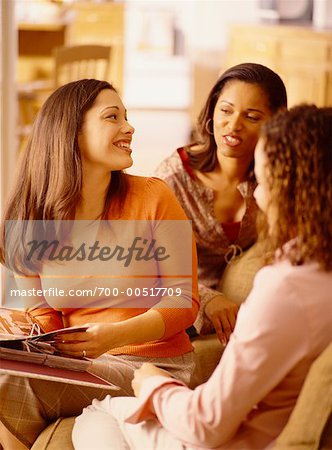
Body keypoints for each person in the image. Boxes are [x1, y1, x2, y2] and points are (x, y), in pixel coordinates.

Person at [72, 104, 332, 450]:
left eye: (265, 177)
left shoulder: (285, 288)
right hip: (245, 423)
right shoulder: (312, 273)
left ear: (294, 187)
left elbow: (206, 424)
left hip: (237, 440)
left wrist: (153, 384)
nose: (254, 191)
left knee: (100, 411)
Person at [0, 79, 199, 449]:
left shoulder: (153, 198)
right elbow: (42, 310)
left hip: (153, 364)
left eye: (126, 116)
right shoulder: (30, 217)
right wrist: (33, 341)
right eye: (113, 117)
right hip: (79, 365)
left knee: (14, 383)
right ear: (71, 133)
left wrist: (113, 337)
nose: (129, 126)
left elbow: (183, 301)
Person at [155, 63, 287, 342]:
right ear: (212, 111)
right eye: (226, 110)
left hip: (246, 295)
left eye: (251, 116)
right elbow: (149, 265)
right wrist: (206, 298)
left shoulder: (273, 176)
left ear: (276, 121)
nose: (234, 125)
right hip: (181, 298)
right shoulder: (173, 179)